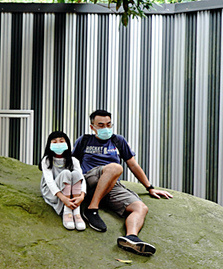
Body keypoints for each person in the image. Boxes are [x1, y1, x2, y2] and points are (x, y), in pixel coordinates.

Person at [72, 109, 172, 255]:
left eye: (108, 124)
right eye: (100, 125)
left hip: (111, 184)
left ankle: (131, 238)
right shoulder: (85, 141)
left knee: (140, 208)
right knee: (115, 167)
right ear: (92, 126)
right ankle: (91, 209)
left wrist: (150, 187)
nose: (105, 128)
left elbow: (133, 164)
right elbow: (72, 163)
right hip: (89, 181)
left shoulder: (118, 141)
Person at [39, 131, 86, 231]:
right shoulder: (47, 160)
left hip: (72, 191)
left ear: (67, 144)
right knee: (66, 173)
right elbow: (49, 181)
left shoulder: (73, 160)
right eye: (54, 142)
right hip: (53, 192)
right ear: (49, 145)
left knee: (76, 174)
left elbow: (82, 179)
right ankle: (67, 211)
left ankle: (76, 212)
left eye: (61, 141)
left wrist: (82, 196)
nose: (58, 144)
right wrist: (64, 199)